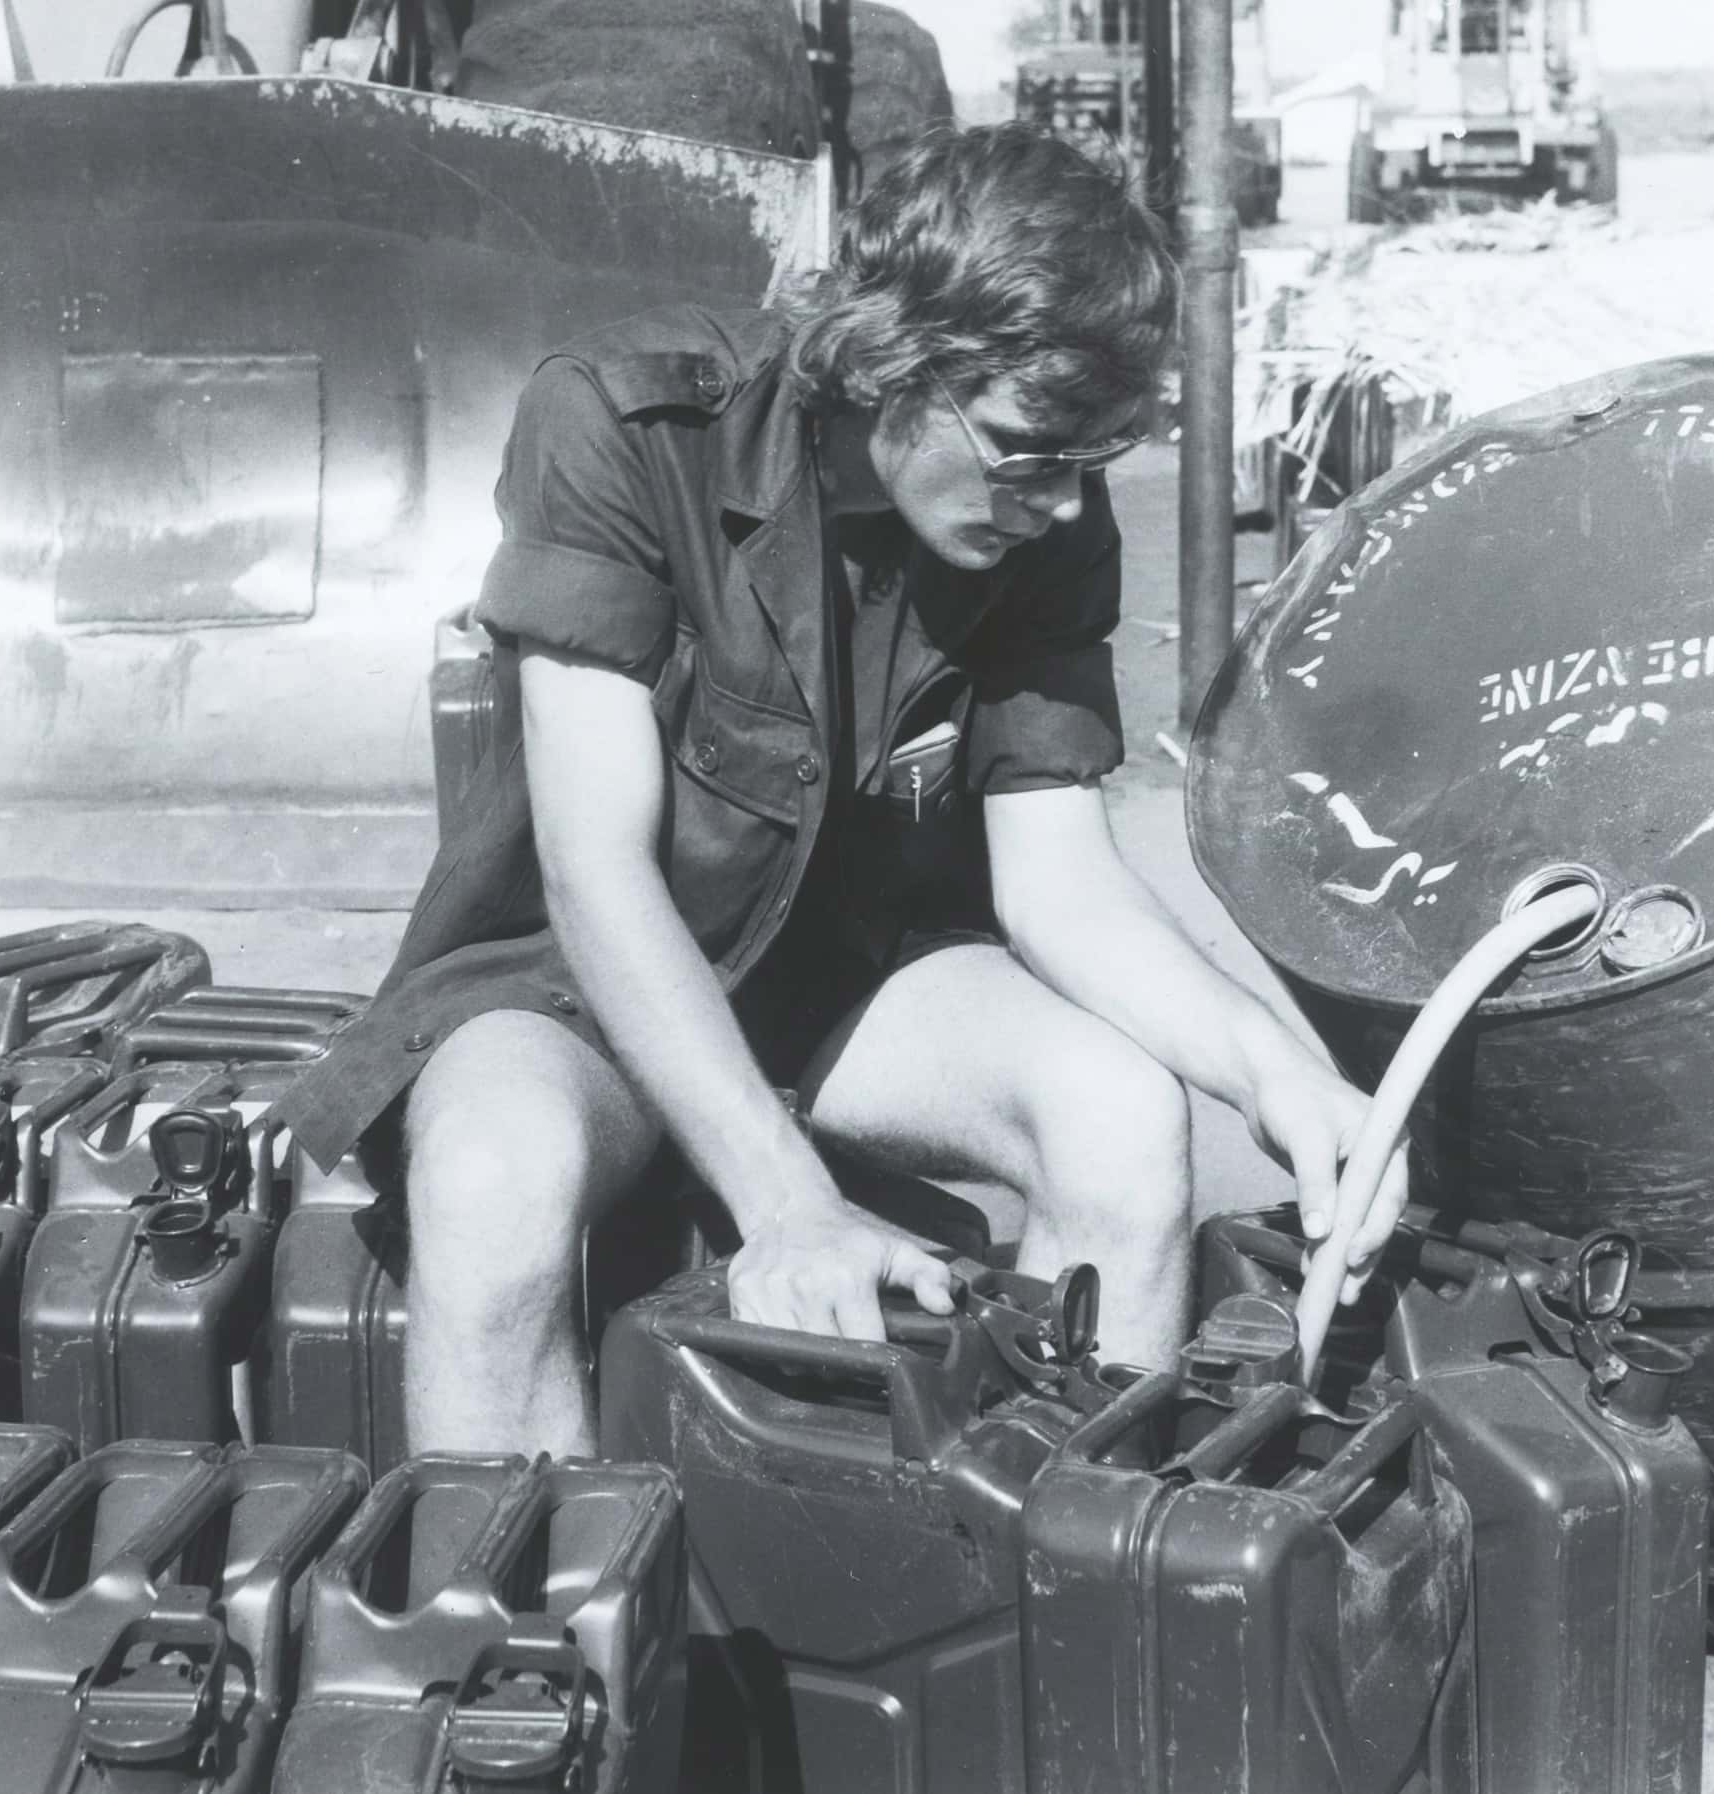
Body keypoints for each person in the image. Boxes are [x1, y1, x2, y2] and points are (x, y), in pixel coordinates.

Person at [276, 123, 1409, 1460]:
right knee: (491, 1181)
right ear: (896, 360)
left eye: (1087, 470)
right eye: (1030, 454)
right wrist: (784, 1195)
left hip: (838, 982)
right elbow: (595, 871)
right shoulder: (625, 425)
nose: (1058, 508)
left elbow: (1060, 881)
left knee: (1120, 1112)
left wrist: (1274, 1074)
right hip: (571, 988)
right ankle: (520, 1646)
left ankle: (1063, 1595)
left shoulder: (1042, 516)